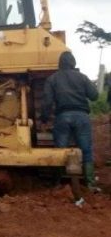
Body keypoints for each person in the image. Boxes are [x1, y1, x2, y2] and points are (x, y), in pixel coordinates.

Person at [41, 51, 100, 201]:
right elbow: (94, 95)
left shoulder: (52, 79)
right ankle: (91, 184)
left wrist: (44, 118)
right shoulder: (82, 77)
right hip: (82, 116)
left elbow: (47, 102)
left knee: (60, 152)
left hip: (63, 117)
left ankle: (57, 183)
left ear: (59, 64)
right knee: (86, 151)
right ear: (73, 63)